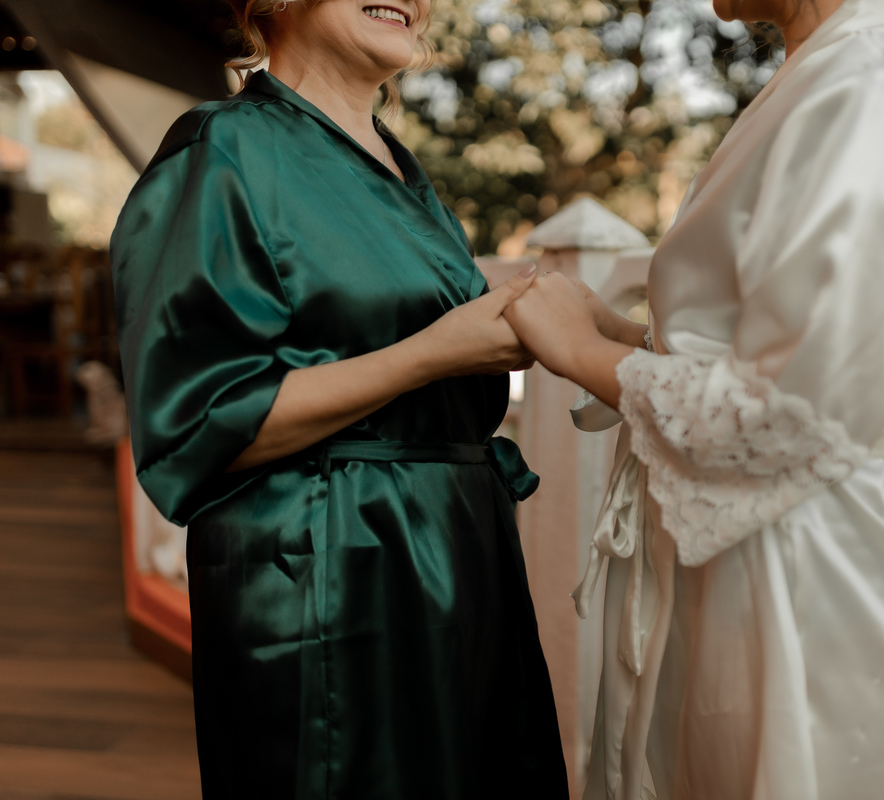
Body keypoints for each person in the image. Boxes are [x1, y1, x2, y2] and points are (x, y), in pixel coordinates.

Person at [503, 0, 884, 796]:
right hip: (732, 560)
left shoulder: (875, 93)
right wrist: (628, 339)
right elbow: (771, 341)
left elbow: (792, 411)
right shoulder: (822, 74)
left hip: (798, 586)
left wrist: (583, 356)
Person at [110, 1, 568, 797]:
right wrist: (431, 354)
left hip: (458, 552)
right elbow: (196, 419)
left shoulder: (398, 167)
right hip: (331, 564)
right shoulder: (221, 149)